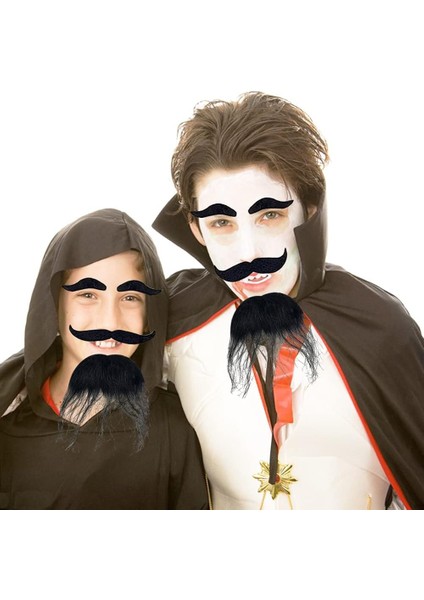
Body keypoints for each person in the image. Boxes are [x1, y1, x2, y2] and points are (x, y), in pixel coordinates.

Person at [153, 92, 424, 510]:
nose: (249, 253)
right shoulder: (174, 319)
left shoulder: (379, 327)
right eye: (222, 222)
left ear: (309, 210)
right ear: (195, 229)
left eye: (270, 216)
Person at [0, 208, 209, 509]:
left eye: (130, 297)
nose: (110, 321)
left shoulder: (175, 427)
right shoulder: (8, 422)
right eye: (87, 294)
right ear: (54, 305)